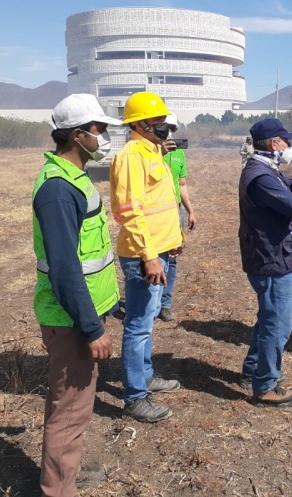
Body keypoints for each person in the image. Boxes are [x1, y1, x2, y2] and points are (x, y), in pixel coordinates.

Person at [32, 93, 122, 496]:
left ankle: (62, 474)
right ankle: (59, 489)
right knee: (69, 412)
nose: (103, 137)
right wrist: (91, 328)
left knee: (70, 406)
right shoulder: (57, 190)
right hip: (71, 320)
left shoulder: (74, 178)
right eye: (99, 130)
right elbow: (66, 270)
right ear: (77, 134)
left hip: (80, 315)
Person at [237, 118, 292, 406]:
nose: (290, 145)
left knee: (267, 318)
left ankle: (253, 370)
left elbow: (287, 191)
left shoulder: (266, 170)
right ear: (274, 143)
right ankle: (265, 386)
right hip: (271, 260)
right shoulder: (260, 176)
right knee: (278, 325)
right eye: (286, 140)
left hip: (271, 256)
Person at [110, 91, 185, 423]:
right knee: (138, 325)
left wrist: (174, 240)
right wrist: (149, 256)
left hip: (161, 249)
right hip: (144, 255)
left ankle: (146, 375)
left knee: (148, 319)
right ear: (138, 124)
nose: (164, 127)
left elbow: (164, 203)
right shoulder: (131, 156)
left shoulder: (153, 152)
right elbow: (128, 212)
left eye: (164, 121)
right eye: (157, 122)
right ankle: (135, 396)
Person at [158, 112, 197, 322]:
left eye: (172, 129)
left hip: (175, 211)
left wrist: (190, 210)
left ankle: (165, 304)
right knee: (155, 257)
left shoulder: (179, 155)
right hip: (155, 212)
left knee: (172, 259)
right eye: (165, 129)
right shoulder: (149, 154)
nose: (169, 134)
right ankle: (152, 302)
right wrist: (159, 154)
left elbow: (182, 185)